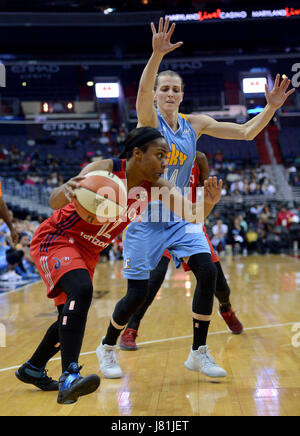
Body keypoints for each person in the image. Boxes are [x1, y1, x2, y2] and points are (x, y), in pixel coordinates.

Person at [96, 17, 295, 381]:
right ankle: (107, 346)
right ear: (157, 94)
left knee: (207, 270)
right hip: (146, 218)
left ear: (182, 95)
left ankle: (198, 352)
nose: (169, 94)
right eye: (164, 89)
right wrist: (156, 56)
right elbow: (140, 92)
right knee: (136, 296)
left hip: (182, 218)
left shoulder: (196, 123)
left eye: (175, 89)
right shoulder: (149, 120)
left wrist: (271, 108)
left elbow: (247, 132)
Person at [15, 126, 222, 405]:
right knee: (82, 291)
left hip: (89, 250)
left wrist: (208, 203)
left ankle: (33, 368)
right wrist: (66, 189)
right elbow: (54, 201)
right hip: (57, 238)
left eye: (167, 157)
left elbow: (193, 216)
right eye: (160, 155)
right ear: (137, 153)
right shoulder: (104, 170)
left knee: (69, 317)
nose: (165, 163)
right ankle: (70, 377)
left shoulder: (157, 187)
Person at [120, 152, 243, 351]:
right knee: (153, 279)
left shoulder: (199, 158)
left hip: (188, 225)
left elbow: (205, 192)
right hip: (158, 223)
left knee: (218, 282)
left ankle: (226, 308)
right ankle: (131, 328)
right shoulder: (155, 159)